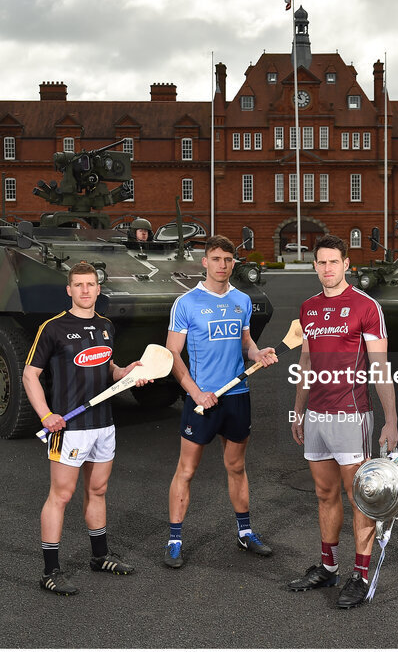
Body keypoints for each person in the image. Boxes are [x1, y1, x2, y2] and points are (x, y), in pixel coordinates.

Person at [287, 234, 398, 609]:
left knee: (360, 499)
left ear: (347, 264)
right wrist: (298, 410)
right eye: (321, 262)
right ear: (315, 265)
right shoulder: (308, 308)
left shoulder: (365, 306)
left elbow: (381, 366)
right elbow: (305, 363)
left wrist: (391, 420)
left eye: (334, 262)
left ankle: (361, 574)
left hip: (351, 416)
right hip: (316, 415)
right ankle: (328, 566)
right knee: (324, 494)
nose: (327, 268)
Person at [24, 261, 149, 596]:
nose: (84, 290)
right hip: (69, 427)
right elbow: (29, 375)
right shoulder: (52, 328)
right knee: (61, 495)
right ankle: (50, 572)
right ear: (69, 290)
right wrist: (45, 414)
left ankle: (100, 556)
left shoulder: (106, 325)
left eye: (90, 284)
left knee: (98, 491)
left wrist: (128, 371)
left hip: (103, 425)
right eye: (78, 285)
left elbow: (106, 367)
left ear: (98, 288)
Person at [163, 235, 278, 569]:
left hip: (237, 397)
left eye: (228, 260)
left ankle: (245, 533)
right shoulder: (186, 303)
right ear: (205, 262)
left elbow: (245, 342)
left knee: (237, 467)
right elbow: (172, 353)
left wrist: (258, 353)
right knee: (186, 469)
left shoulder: (241, 300)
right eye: (216, 259)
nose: (223, 265)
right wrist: (194, 392)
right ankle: (174, 539)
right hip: (202, 400)